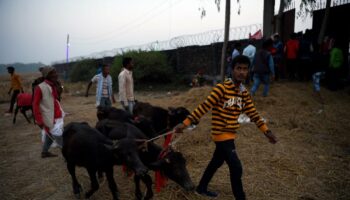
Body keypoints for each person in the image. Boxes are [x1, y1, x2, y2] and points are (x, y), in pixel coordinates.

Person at [174, 55, 277, 200]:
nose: (241, 72)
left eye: (245, 69)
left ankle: (201, 188)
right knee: (236, 167)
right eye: (238, 68)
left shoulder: (244, 94)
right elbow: (204, 106)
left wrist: (267, 132)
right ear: (232, 70)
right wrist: (184, 124)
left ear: (248, 72)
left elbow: (253, 114)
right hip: (221, 134)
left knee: (217, 161)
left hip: (230, 134)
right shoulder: (221, 89)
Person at [33, 66, 64, 158]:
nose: (56, 74)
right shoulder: (40, 88)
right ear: (47, 75)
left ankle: (44, 152)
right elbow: (35, 104)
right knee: (58, 134)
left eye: (56, 72)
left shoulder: (54, 85)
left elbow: (55, 99)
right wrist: (38, 120)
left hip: (57, 113)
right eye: (53, 73)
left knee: (50, 133)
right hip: (49, 116)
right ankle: (67, 153)